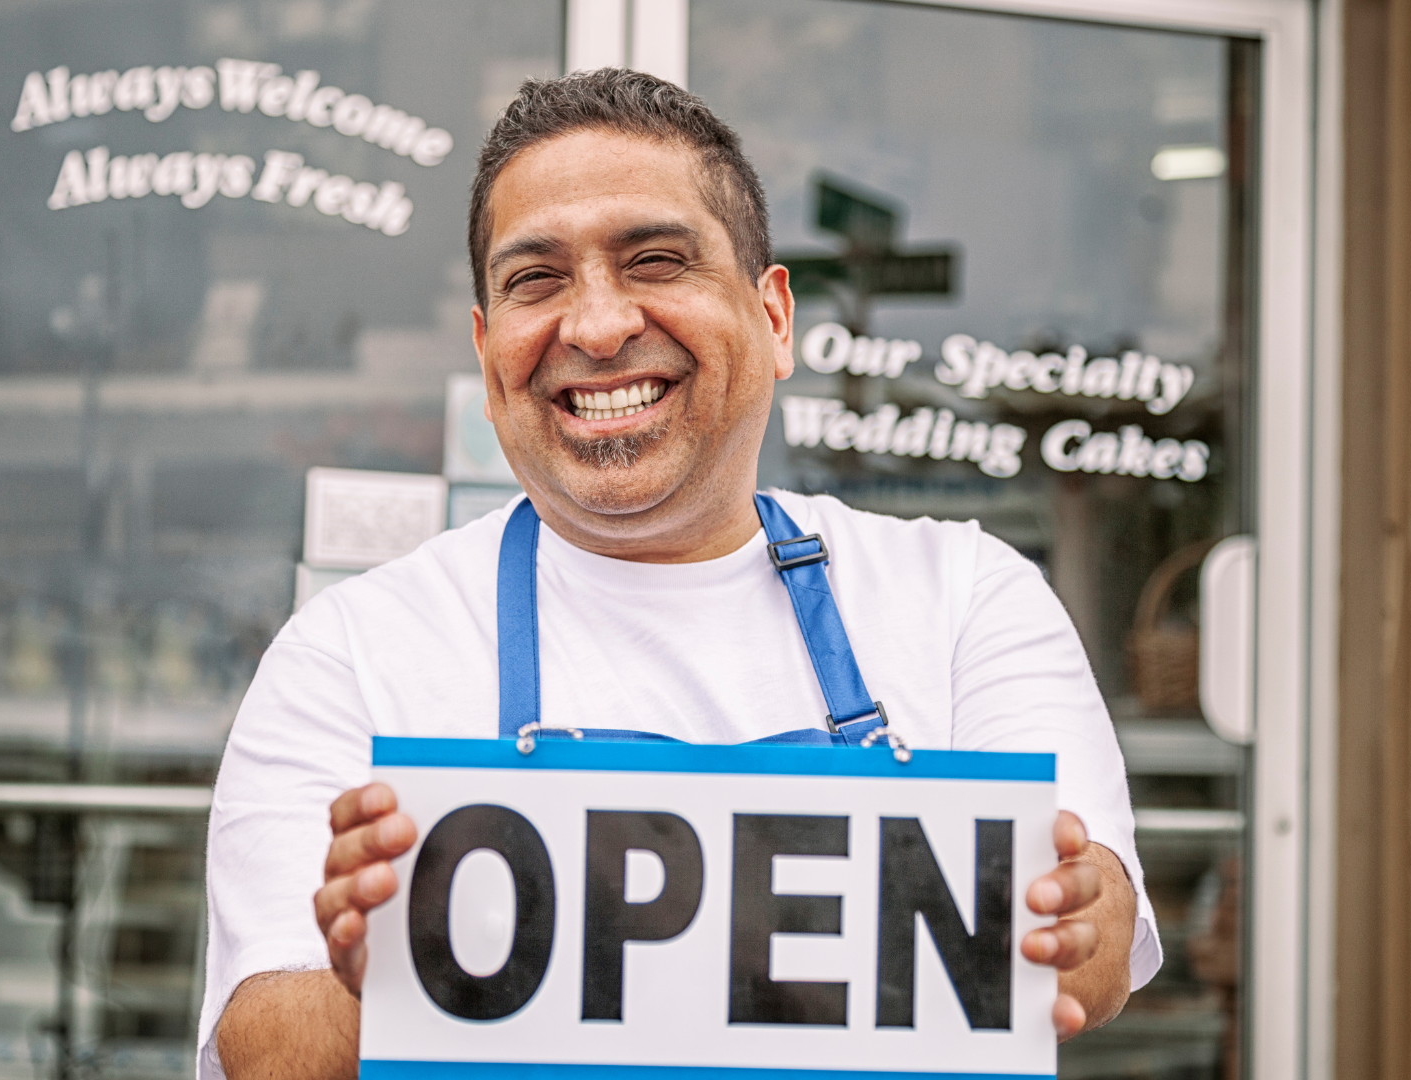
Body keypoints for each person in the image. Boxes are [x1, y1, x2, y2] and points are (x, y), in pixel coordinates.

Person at [199, 68, 1160, 1080]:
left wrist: (1078, 911)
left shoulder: (964, 598)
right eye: (537, 280)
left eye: (656, 260)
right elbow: (263, 1045)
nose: (598, 326)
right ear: (489, 357)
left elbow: (1087, 962)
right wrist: (388, 981)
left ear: (775, 319)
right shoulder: (352, 652)